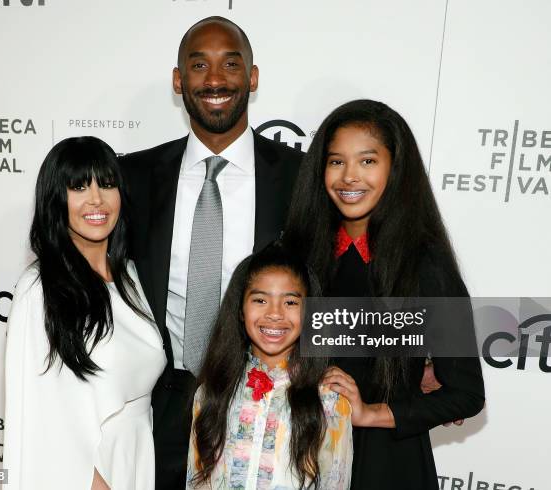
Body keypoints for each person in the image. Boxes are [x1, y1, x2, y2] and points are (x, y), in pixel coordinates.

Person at [120, 16, 302, 488]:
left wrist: (415, 360)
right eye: (199, 65)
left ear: (253, 77)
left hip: (267, 401)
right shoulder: (134, 178)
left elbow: (333, 277)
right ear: (179, 81)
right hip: (160, 402)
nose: (216, 79)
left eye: (230, 64)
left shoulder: (300, 178)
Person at [283, 99, 485, 490]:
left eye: (368, 161)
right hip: (298, 456)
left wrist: (370, 413)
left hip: (386, 465)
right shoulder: (298, 255)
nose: (349, 177)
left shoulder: (425, 264)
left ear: (395, 170)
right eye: (336, 161)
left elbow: (466, 394)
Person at [3, 137, 166, 490]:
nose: (96, 199)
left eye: (106, 184)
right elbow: (43, 416)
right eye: (78, 186)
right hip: (86, 471)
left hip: (135, 454)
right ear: (55, 199)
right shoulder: (39, 289)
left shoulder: (131, 276)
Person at [186, 242, 352, 489]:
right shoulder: (212, 392)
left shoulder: (329, 400)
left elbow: (335, 481)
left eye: (290, 303)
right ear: (241, 309)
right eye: (261, 300)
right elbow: (195, 479)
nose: (275, 313)